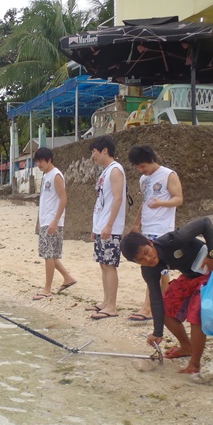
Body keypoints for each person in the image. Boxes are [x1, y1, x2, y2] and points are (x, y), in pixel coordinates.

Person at [120, 217, 213, 374]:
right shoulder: (148, 270)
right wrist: (157, 333)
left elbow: (205, 223)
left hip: (212, 270)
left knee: (196, 315)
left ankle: (195, 364)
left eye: (147, 253)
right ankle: (186, 346)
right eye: (141, 260)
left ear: (150, 242)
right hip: (190, 276)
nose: (148, 259)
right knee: (165, 306)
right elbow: (155, 300)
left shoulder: (173, 240)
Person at [127, 145, 183, 322]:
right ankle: (164, 305)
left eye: (143, 165)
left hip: (163, 228)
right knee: (160, 270)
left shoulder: (168, 174)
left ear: (152, 160)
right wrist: (136, 224)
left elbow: (178, 198)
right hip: (148, 228)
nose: (141, 170)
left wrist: (161, 203)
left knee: (152, 268)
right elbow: (144, 203)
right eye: (137, 167)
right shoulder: (143, 179)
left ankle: (148, 307)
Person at [87, 135, 126, 320]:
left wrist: (109, 224)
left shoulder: (116, 170)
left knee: (110, 265)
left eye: (94, 152)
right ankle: (106, 301)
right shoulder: (105, 172)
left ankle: (112, 306)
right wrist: (97, 226)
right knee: (103, 264)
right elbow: (101, 201)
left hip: (111, 227)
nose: (93, 156)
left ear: (104, 150)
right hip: (102, 226)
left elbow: (118, 198)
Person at [32, 147, 77, 300]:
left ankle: (47, 289)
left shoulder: (56, 175)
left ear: (49, 160)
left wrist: (55, 221)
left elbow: (63, 198)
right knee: (48, 254)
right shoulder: (46, 176)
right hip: (46, 220)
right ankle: (67, 277)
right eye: (37, 162)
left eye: (41, 161)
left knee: (48, 254)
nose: (39, 164)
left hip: (52, 220)